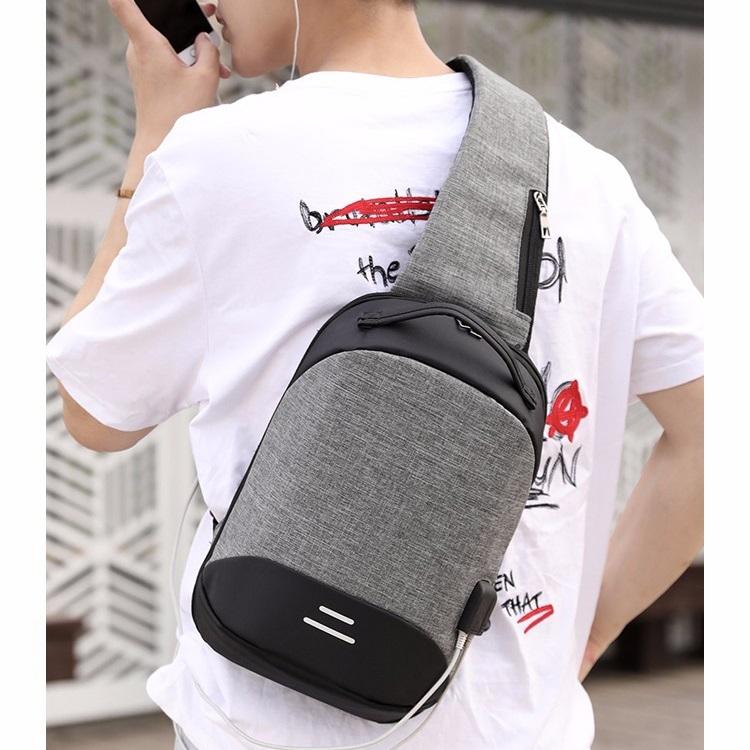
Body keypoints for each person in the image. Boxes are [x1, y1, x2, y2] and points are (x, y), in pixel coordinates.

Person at [45, 0, 704, 748]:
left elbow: (94, 412)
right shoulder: (590, 180)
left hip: (265, 724)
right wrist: (593, 630)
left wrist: (153, 139)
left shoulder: (216, 155)